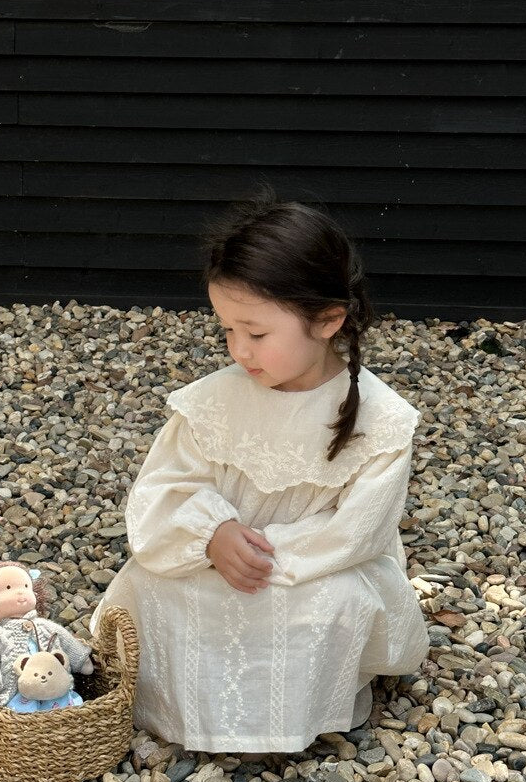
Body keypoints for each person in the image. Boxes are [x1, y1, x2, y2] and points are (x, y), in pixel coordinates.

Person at [90, 192, 430, 753]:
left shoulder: (382, 422)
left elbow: (357, 533)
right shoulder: (212, 403)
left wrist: (264, 555)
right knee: (151, 583)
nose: (238, 351)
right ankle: (185, 709)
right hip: (212, 555)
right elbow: (163, 489)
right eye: (227, 331)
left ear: (327, 321)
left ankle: (287, 715)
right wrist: (212, 535)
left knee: (335, 601)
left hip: (312, 567)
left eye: (256, 333)